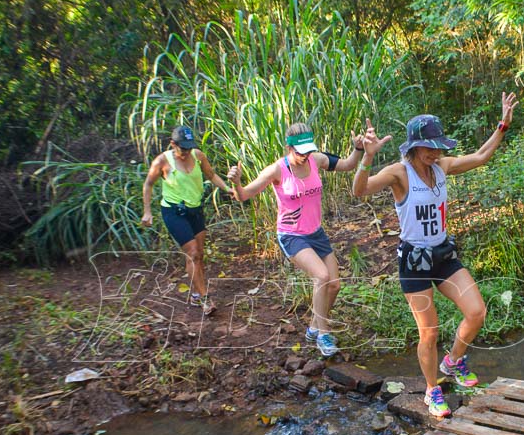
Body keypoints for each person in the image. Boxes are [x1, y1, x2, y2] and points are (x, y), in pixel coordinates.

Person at [352, 93, 518, 418]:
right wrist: (366, 157)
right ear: (413, 146)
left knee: (477, 312)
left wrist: (502, 125)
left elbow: (482, 156)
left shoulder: (441, 166)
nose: (435, 152)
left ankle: (453, 361)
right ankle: (431, 390)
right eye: (429, 147)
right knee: (428, 332)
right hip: (414, 260)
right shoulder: (399, 173)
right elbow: (359, 191)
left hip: (442, 254)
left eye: (438, 146)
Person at [227, 123, 366, 357]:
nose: (305, 156)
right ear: (288, 147)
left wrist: (358, 149)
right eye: (299, 151)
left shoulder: (317, 160)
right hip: (291, 235)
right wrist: (236, 181)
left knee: (334, 285)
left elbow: (348, 165)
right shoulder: (276, 170)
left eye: (308, 150)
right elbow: (244, 195)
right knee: (321, 276)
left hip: (316, 233)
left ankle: (314, 325)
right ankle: (324, 334)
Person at [142, 125, 233, 316]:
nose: (187, 151)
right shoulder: (162, 161)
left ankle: (195, 293)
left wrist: (227, 188)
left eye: (189, 147)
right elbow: (149, 184)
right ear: (172, 144)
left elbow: (212, 175)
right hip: (174, 212)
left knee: (198, 255)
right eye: (183, 148)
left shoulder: (198, 156)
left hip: (195, 209)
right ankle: (205, 299)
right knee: (193, 252)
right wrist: (147, 211)